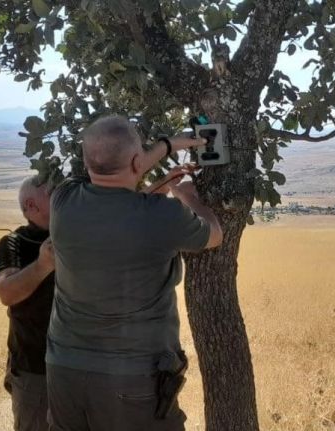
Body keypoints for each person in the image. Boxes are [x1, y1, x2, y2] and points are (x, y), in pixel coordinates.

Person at [46, 115, 223, 431]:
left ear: (87, 162)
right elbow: (214, 234)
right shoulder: (163, 215)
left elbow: (117, 198)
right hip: (132, 376)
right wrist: (187, 195)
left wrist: (167, 148)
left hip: (64, 369)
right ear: (137, 160)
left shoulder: (63, 201)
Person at [0, 176, 55, 431]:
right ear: (31, 205)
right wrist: (43, 265)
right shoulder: (13, 244)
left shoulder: (75, 236)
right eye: (53, 192)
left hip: (81, 364)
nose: (63, 196)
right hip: (35, 369)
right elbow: (6, 292)